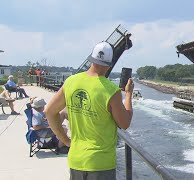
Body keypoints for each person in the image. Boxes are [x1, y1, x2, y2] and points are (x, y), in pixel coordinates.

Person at [45, 41, 134, 180]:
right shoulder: (111, 90)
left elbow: (49, 111)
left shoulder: (71, 82)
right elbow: (125, 123)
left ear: (91, 59)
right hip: (101, 164)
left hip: (76, 160)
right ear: (110, 64)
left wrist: (65, 140)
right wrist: (128, 95)